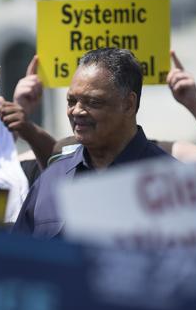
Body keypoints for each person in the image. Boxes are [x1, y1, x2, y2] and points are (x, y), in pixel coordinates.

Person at [12, 48, 172, 238]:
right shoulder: (50, 179)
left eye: (93, 102)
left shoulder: (172, 183)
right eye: (71, 101)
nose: (77, 111)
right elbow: (17, 261)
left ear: (128, 104)